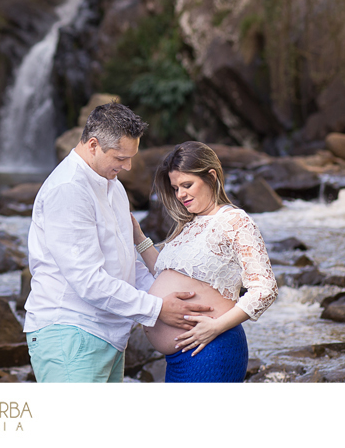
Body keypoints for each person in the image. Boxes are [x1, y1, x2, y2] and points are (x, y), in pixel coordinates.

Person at [24, 102, 214, 383]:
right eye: (120, 157)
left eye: (131, 157)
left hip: (109, 336)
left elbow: (127, 263)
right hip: (70, 334)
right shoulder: (68, 190)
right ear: (92, 145)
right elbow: (88, 280)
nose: (128, 167)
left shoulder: (113, 186)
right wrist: (158, 308)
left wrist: (170, 298)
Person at [133, 141, 278, 382]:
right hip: (179, 358)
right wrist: (138, 237)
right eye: (176, 187)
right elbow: (164, 274)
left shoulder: (234, 221)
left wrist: (216, 326)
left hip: (211, 350)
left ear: (211, 177)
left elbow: (265, 289)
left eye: (187, 185)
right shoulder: (187, 226)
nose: (180, 194)